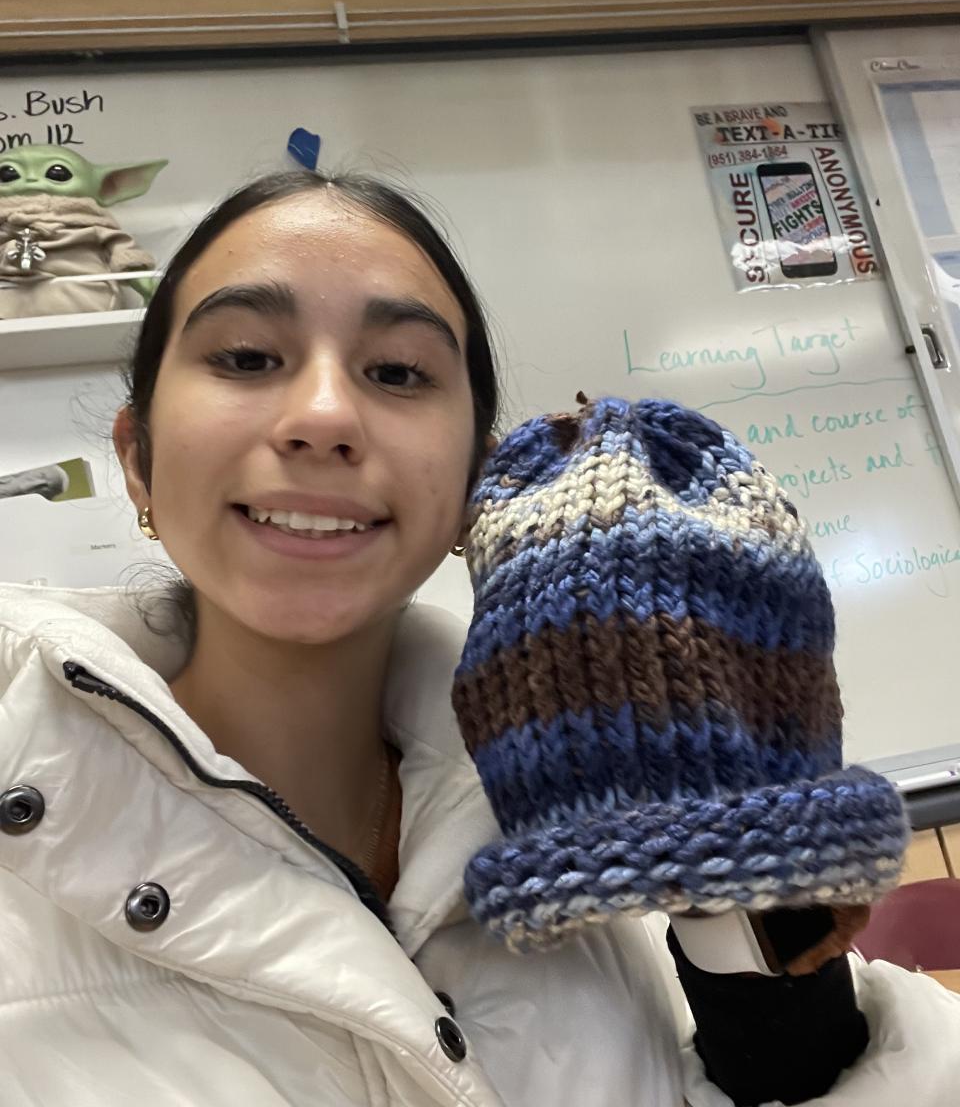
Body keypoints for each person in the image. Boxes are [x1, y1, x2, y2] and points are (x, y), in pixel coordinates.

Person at [0, 170, 957, 1107]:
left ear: (478, 486)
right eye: (247, 358)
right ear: (138, 460)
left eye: (397, 372)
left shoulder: (582, 844)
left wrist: (741, 884)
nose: (324, 417)